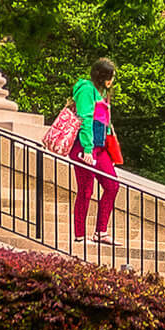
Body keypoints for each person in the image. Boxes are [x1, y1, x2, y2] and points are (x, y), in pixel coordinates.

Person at [69, 57, 123, 244]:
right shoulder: (86, 90)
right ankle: (79, 235)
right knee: (85, 190)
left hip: (100, 148)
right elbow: (85, 119)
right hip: (84, 147)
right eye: (111, 76)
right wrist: (87, 149)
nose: (113, 80)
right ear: (103, 76)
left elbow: (104, 123)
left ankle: (101, 231)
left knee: (112, 185)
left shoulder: (102, 94)